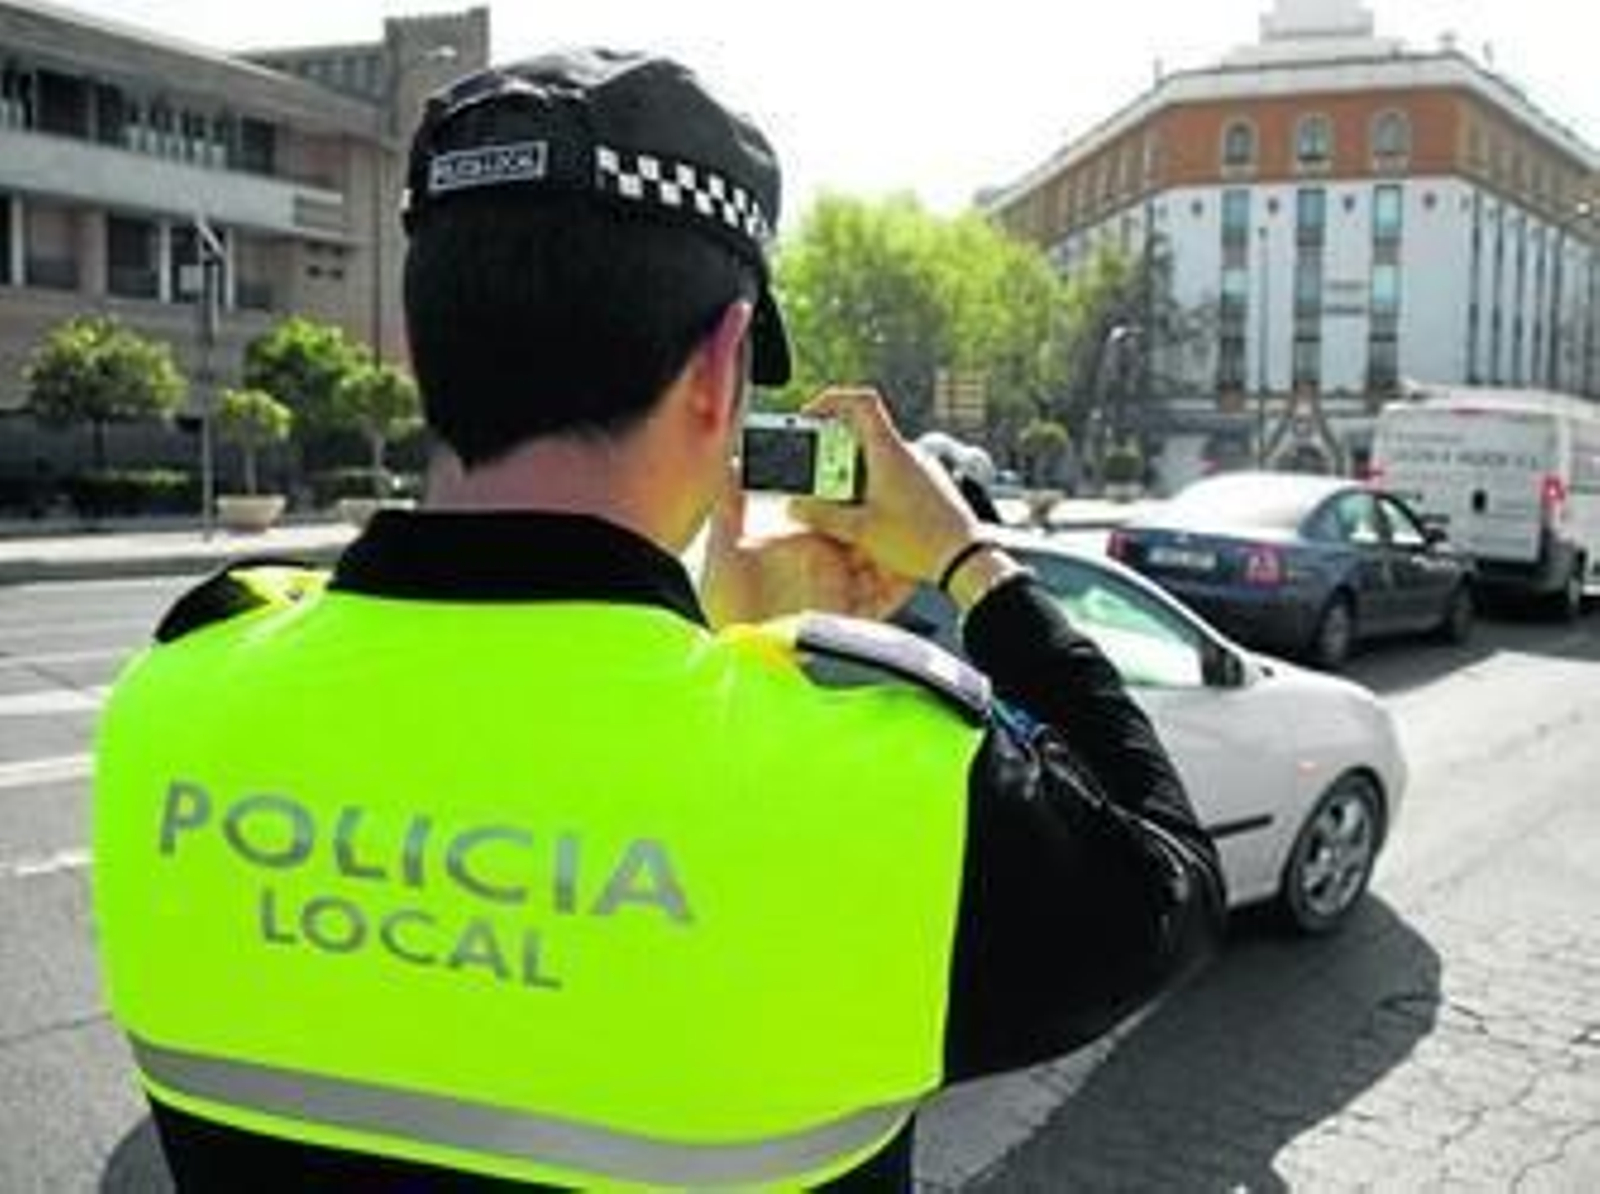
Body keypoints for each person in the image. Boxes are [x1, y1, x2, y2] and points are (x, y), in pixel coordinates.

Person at [93, 48, 1225, 1192]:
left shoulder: (171, 700)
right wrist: (968, 561)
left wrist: (728, 652)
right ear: (719, 369)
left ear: (425, 340)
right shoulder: (885, 782)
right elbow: (1167, 885)